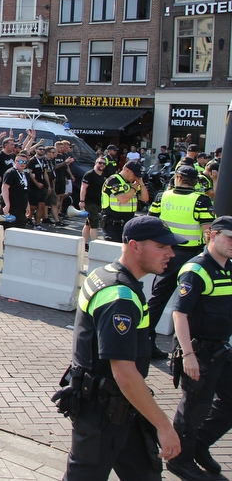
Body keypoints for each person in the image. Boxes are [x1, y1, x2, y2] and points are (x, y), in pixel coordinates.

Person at [58, 215, 185, 480]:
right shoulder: (120, 297)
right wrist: (164, 425)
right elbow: (124, 373)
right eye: (162, 247)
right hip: (104, 413)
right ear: (135, 246)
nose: (171, 253)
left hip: (121, 407)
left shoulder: (103, 274)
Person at [167, 215, 232, 481]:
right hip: (199, 351)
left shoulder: (228, 266)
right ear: (212, 236)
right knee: (194, 409)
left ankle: (198, 445)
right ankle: (179, 460)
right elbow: (179, 315)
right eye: (229, 238)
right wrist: (189, 356)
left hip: (221, 350)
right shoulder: (196, 270)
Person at [146, 165, 215, 357]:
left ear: (177, 178)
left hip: (166, 254)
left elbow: (150, 223)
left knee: (157, 301)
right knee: (191, 304)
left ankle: (144, 343)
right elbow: (208, 231)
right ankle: (187, 349)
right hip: (191, 257)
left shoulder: (163, 196)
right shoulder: (201, 200)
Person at [100, 161, 149, 243]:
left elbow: (145, 198)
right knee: (113, 250)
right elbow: (123, 199)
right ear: (127, 170)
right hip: (113, 224)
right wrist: (133, 188)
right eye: (135, 174)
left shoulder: (132, 183)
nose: (136, 177)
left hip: (128, 223)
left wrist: (141, 184)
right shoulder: (114, 180)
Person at [78, 157, 107, 245]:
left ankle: (83, 243)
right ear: (96, 163)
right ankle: (95, 245)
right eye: (100, 163)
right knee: (94, 224)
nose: (102, 165)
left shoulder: (103, 175)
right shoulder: (89, 174)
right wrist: (82, 201)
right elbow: (83, 188)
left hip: (99, 203)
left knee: (88, 224)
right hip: (90, 202)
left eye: (104, 164)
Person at [0, 154, 30, 229]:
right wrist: (7, 204)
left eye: (25, 162)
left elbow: (25, 190)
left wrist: (27, 205)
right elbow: (4, 188)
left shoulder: (25, 174)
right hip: (11, 206)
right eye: (20, 161)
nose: (22, 164)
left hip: (21, 206)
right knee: (8, 228)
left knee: (20, 227)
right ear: (15, 162)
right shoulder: (11, 172)